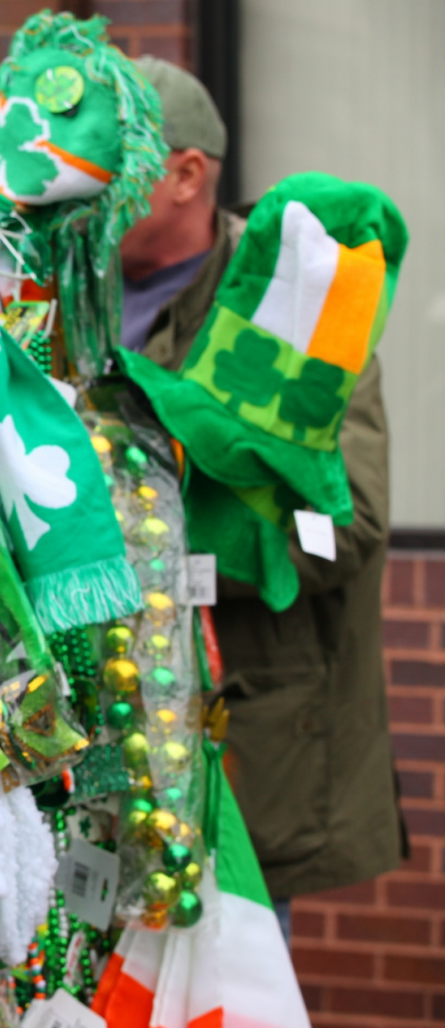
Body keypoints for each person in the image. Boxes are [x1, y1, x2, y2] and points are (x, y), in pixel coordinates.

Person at [120, 57, 402, 933]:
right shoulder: (60, 292)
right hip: (102, 757)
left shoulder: (300, 298)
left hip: (242, 747)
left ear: (185, 174)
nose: (82, 191)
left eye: (112, 162)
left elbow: (345, 527)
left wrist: (172, 562)